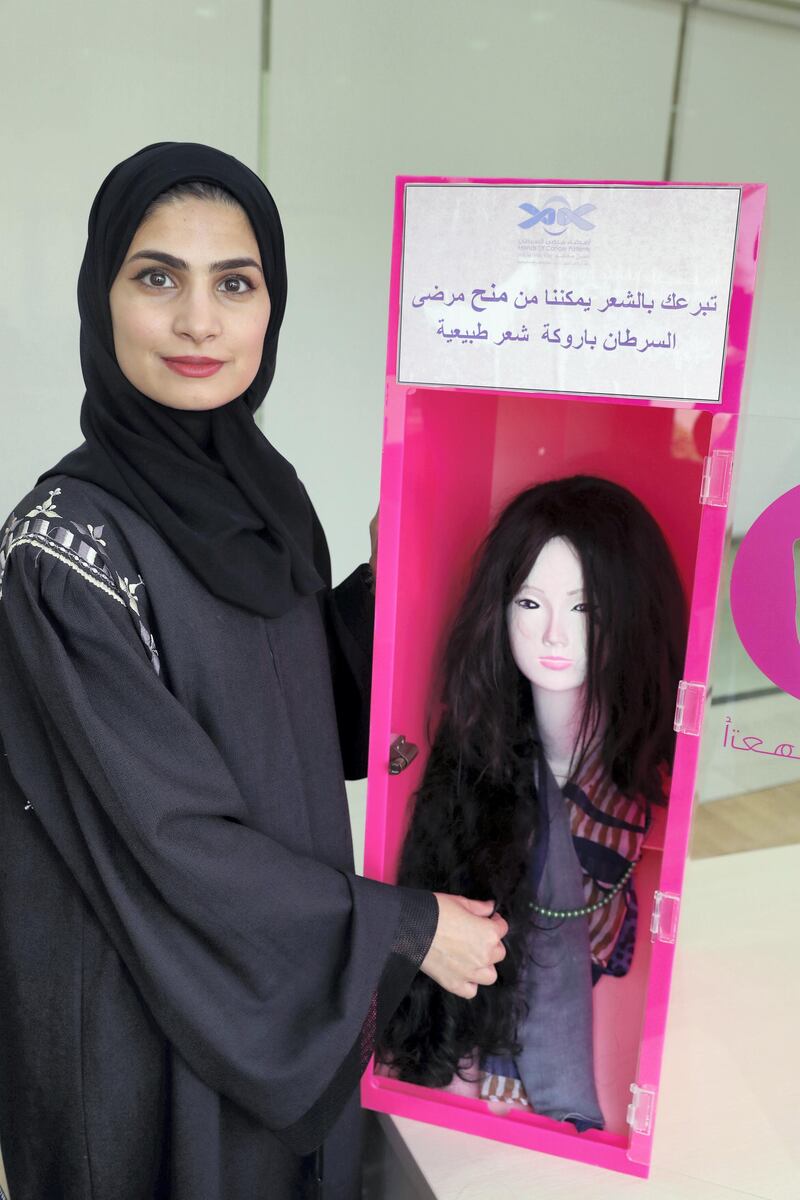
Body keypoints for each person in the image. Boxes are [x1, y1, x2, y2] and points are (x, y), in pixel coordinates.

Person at [0, 142, 507, 1200]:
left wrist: (390, 572)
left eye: (234, 283)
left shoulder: (263, 499)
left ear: (268, 304)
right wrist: (401, 925)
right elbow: (168, 839)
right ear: (102, 298)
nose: (199, 322)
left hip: (270, 968)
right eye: (156, 278)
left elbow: (299, 711)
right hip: (146, 1008)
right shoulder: (58, 553)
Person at [378, 475, 686, 1130]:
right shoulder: (467, 767)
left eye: (583, 609)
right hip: (464, 1090)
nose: (552, 635)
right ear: (501, 607)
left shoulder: (636, 776)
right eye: (529, 603)